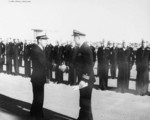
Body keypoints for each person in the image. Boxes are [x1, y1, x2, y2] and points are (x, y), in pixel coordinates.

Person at [72, 30, 95, 120]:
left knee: (85, 102)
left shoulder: (85, 48)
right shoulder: (81, 48)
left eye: (74, 38)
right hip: (84, 80)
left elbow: (89, 65)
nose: (73, 40)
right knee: (84, 102)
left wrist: (84, 80)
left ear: (79, 38)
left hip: (86, 80)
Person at [29, 33, 48, 119]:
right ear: (39, 40)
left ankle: (33, 114)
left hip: (38, 77)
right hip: (38, 78)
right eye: (44, 40)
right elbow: (44, 63)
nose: (46, 42)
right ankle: (39, 116)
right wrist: (57, 66)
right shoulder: (36, 50)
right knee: (39, 98)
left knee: (37, 97)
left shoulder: (39, 49)